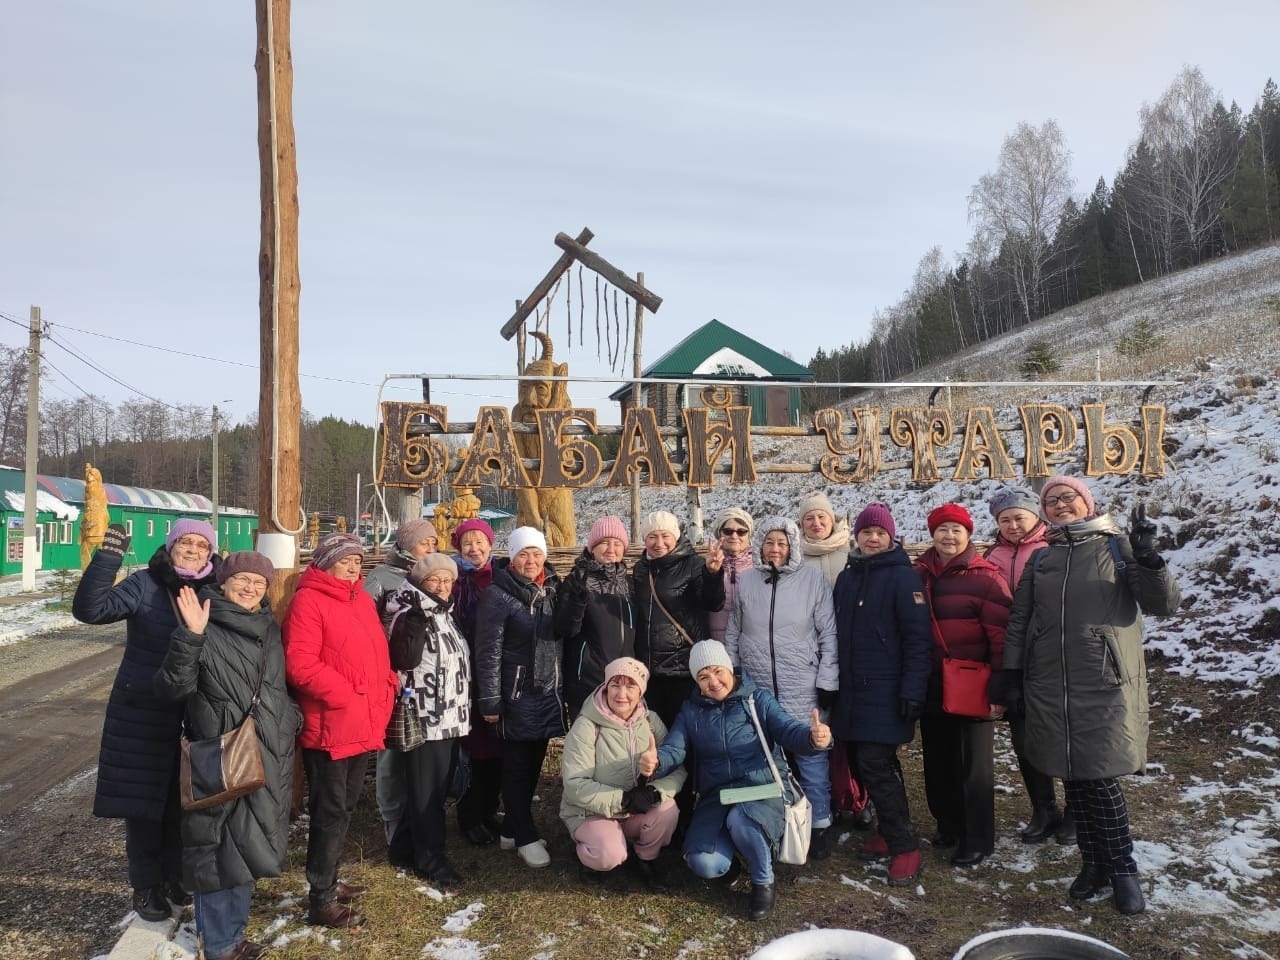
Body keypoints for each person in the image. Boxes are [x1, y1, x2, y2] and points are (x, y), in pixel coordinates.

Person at [1001, 476, 1180, 916]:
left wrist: (1147, 556)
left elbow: (1163, 604)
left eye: (1068, 497)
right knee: (1072, 776)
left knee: (1100, 777)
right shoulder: (1044, 557)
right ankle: (1093, 864)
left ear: (1086, 502)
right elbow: (1022, 618)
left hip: (1103, 679)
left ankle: (1123, 869)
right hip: (1049, 682)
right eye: (1052, 500)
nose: (1061, 505)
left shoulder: (1117, 547)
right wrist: (1010, 673)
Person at [73, 518, 221, 921]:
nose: (192, 550)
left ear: (210, 552)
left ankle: (174, 876)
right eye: (185, 543)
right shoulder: (146, 583)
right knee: (143, 806)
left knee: (184, 803)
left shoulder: (215, 587)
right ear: (171, 545)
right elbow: (90, 610)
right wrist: (107, 558)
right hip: (143, 710)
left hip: (195, 712)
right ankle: (145, 885)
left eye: (201, 545)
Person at [154, 552, 298, 960]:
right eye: (243, 580)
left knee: (249, 846)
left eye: (259, 582)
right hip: (220, 754)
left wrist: (290, 719)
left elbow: (275, 687)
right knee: (216, 851)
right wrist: (191, 637)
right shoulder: (202, 621)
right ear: (224, 582)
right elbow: (171, 689)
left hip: (267, 751)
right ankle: (218, 945)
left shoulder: (267, 627)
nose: (251, 588)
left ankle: (232, 936)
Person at [639, 641, 834, 921]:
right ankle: (732, 866)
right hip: (717, 795)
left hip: (761, 789)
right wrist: (655, 763)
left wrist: (814, 738)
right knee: (703, 862)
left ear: (730, 669)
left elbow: (789, 730)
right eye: (703, 677)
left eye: (718, 672)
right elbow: (675, 749)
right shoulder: (691, 711)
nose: (713, 682)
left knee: (742, 822)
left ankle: (763, 879)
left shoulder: (758, 701)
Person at [282, 532, 397, 928]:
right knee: (329, 810)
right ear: (325, 561)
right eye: (345, 560)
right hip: (331, 723)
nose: (353, 567)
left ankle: (330, 879)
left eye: (357, 561)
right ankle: (321, 898)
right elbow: (300, 664)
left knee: (345, 806)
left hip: (362, 720)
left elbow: (374, 654)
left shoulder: (360, 599)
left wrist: (386, 686)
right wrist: (346, 695)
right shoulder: (308, 601)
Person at [830, 503, 932, 887]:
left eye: (880, 533)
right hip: (851, 692)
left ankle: (906, 846)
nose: (873, 538)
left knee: (876, 764)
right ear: (856, 536)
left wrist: (912, 689)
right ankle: (891, 831)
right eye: (867, 532)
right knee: (866, 764)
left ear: (891, 537)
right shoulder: (848, 576)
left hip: (887, 692)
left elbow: (918, 640)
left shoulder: (903, 578)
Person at [724, 516, 838, 859]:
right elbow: (733, 631)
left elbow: (828, 633)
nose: (775, 548)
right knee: (764, 756)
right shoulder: (748, 582)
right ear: (760, 545)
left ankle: (819, 824)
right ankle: (772, 821)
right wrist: (733, 675)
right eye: (770, 541)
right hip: (757, 685)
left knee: (811, 755)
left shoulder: (813, 581)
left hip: (802, 682)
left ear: (793, 546)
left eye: (782, 542)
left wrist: (828, 680)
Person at [913, 502, 1011, 869]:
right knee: (938, 760)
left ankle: (978, 837)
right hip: (933, 683)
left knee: (974, 767)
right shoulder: (920, 574)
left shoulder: (986, 577)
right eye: (942, 529)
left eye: (956, 530)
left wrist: (1001, 686)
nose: (948, 536)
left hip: (974, 683)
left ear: (968, 534)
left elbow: (1002, 636)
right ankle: (949, 824)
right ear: (932, 534)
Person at [982, 487, 1074, 846]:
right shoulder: (993, 554)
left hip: (1051, 654)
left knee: (1061, 733)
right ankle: (1044, 806)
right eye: (1005, 519)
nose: (1013, 524)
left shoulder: (1053, 547)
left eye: (1019, 516)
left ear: (1036, 515)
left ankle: (1075, 810)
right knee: (1023, 736)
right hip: (1011, 656)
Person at [474, 526, 565, 868]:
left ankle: (512, 829)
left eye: (536, 554)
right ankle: (525, 836)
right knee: (515, 767)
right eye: (523, 554)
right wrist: (491, 701)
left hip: (546, 692)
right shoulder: (498, 595)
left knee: (533, 765)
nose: (530, 561)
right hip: (515, 694)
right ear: (511, 558)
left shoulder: (552, 588)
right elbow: (488, 651)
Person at [382, 552, 472, 886]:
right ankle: (430, 859)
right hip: (423, 715)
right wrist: (414, 624)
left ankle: (404, 847)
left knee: (435, 789)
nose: (443, 586)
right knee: (426, 793)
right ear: (420, 582)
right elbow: (403, 660)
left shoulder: (445, 612)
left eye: (447, 580)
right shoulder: (410, 611)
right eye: (435, 580)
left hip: (449, 715)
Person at [559, 657, 685, 890]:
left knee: (667, 811)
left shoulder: (650, 721)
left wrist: (654, 793)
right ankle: (591, 857)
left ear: (641, 691)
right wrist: (624, 799)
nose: (621, 694)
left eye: (631, 686)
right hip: (591, 812)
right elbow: (575, 784)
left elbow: (677, 768)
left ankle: (645, 860)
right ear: (606, 687)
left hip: (635, 811)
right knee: (608, 854)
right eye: (615, 685)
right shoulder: (587, 725)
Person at [363, 519, 440, 845]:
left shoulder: (434, 575)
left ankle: (418, 810)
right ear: (408, 544)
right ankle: (392, 814)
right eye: (425, 543)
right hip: (395, 675)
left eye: (434, 544)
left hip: (430, 675)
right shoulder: (382, 578)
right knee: (393, 750)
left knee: (423, 746)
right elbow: (366, 627)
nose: (431, 549)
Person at [632, 511, 725, 728]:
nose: (659, 543)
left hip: (682, 668)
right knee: (656, 734)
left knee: (686, 732)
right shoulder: (641, 569)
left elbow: (713, 603)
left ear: (676, 536)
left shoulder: (693, 564)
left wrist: (712, 575)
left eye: (665, 535)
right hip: (649, 672)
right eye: (652, 537)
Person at [448, 518, 504, 847]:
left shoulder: (502, 576)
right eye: (467, 543)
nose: (474, 549)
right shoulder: (454, 581)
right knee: (474, 748)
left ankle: (489, 809)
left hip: (496, 672)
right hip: (466, 674)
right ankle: (469, 814)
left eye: (480, 541)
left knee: (498, 745)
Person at [556, 515, 636, 720]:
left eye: (617, 543)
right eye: (604, 543)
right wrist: (577, 598)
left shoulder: (630, 584)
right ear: (592, 547)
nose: (611, 549)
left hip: (625, 686)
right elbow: (564, 629)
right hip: (588, 684)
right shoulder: (576, 581)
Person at [706, 508, 755, 645]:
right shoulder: (707, 565)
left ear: (748, 535)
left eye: (741, 531)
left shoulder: (760, 566)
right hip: (717, 647)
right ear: (719, 534)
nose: (734, 536)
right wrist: (711, 573)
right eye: (728, 531)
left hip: (752, 648)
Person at [796, 490, 851, 589]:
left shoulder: (853, 550)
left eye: (821, 517)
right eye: (809, 518)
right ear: (802, 524)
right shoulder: (794, 555)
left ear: (831, 520)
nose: (816, 523)